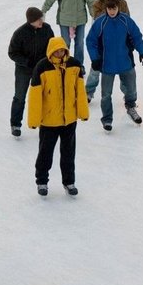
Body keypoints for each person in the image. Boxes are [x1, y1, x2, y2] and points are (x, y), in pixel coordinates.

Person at [28, 37, 89, 196]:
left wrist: (83, 112)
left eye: (62, 50)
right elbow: (35, 95)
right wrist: (34, 120)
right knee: (45, 153)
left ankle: (69, 181)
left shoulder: (74, 65)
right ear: (51, 51)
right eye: (56, 51)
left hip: (69, 119)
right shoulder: (42, 67)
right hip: (49, 121)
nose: (60, 53)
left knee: (69, 153)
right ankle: (42, 181)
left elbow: (80, 91)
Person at [85, 0, 143, 131]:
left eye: (114, 8)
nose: (112, 11)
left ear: (118, 7)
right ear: (106, 8)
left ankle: (131, 107)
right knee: (106, 94)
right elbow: (91, 41)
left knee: (131, 89)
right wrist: (95, 58)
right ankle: (107, 119)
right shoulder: (100, 22)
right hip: (107, 65)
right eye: (109, 9)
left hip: (125, 62)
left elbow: (136, 36)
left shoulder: (125, 20)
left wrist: (142, 51)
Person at [8, 7, 54, 138]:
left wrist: (47, 62)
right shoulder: (20, 33)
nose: (41, 21)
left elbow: (52, 46)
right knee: (20, 96)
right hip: (24, 70)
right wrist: (26, 62)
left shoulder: (47, 29)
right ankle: (15, 124)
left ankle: (46, 121)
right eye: (39, 19)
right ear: (31, 21)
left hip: (41, 69)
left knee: (45, 96)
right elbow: (12, 53)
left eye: (42, 18)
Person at [41, 0, 96, 64]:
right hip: (65, 20)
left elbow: (91, 1)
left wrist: (95, 16)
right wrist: (43, 11)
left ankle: (78, 64)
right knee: (65, 44)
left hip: (80, 19)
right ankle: (65, 63)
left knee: (79, 44)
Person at [84, 0, 130, 101]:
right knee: (95, 69)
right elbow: (98, 19)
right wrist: (110, 7)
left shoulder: (123, 3)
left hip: (119, 43)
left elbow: (128, 21)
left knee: (123, 71)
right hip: (102, 43)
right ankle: (88, 92)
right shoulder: (97, 4)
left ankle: (128, 94)